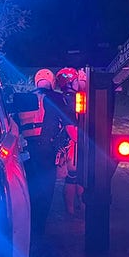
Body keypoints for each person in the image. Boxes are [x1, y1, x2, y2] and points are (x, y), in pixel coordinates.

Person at [20, 68, 74, 235]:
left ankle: (26, 226)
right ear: (51, 82)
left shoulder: (23, 98)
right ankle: (39, 229)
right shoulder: (57, 98)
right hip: (46, 150)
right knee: (46, 190)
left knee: (29, 188)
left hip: (24, 150)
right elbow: (70, 125)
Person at [54, 67, 84, 215]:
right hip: (73, 145)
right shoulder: (70, 100)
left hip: (71, 144)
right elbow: (71, 127)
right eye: (77, 80)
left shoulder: (65, 99)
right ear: (70, 83)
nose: (79, 83)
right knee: (74, 178)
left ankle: (73, 210)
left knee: (75, 178)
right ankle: (72, 211)